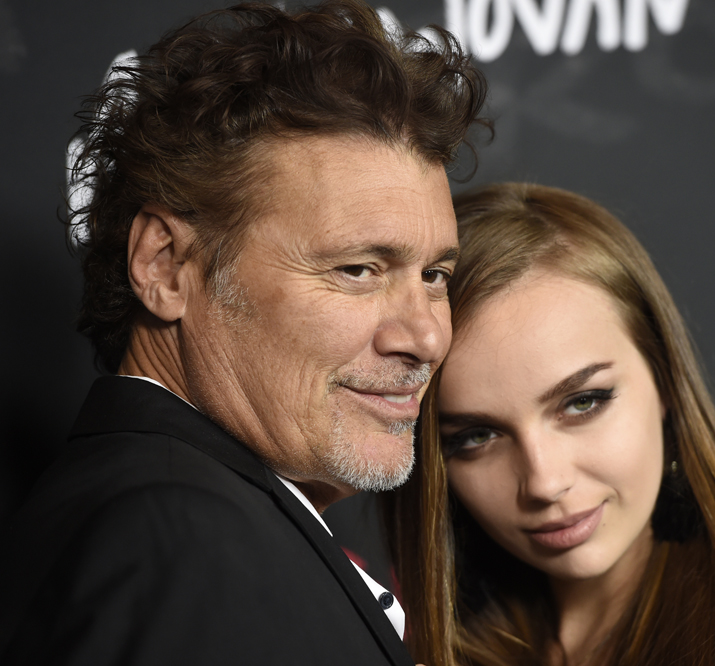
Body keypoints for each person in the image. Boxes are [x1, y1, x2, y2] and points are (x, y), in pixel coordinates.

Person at [0, 2, 487, 664]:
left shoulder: (193, 515)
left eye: (433, 275)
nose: (426, 338)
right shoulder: (176, 539)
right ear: (167, 267)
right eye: (357, 269)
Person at [382, 183, 715, 666]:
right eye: (476, 437)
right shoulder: (412, 640)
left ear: (667, 382)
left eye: (583, 403)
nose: (545, 483)